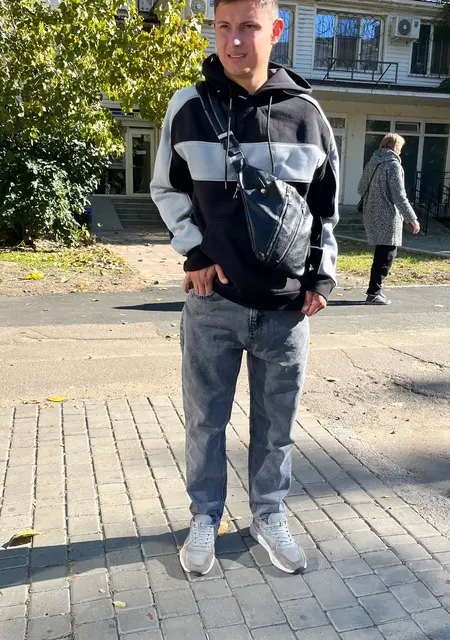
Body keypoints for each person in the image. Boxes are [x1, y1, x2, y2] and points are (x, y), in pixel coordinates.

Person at [150, 0, 338, 576]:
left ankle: (268, 515)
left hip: (286, 310)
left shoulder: (308, 114)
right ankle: (205, 517)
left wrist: (321, 275)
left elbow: (324, 210)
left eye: (249, 27)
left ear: (275, 30)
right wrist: (195, 251)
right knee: (205, 422)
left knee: (276, 429)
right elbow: (166, 188)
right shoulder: (189, 107)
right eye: (224, 27)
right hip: (214, 305)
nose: (234, 41)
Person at [358, 133, 420, 305]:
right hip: (388, 215)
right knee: (386, 255)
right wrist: (412, 218)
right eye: (400, 147)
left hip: (371, 213)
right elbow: (399, 195)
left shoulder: (373, 162)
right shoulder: (393, 165)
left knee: (381, 253)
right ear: (395, 146)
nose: (400, 151)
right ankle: (374, 293)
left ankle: (374, 291)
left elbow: (360, 188)